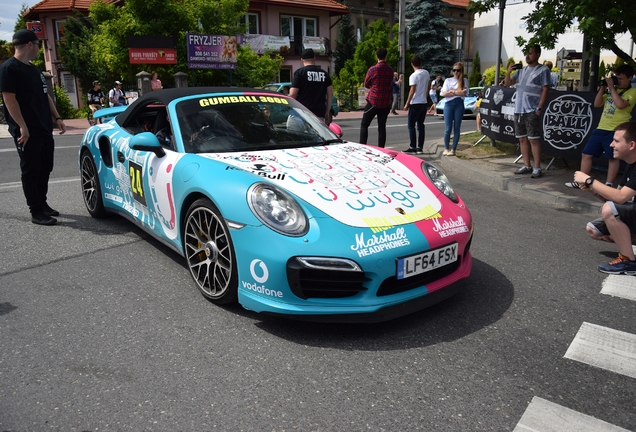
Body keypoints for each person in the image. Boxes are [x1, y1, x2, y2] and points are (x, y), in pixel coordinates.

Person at [0, 29, 66, 225]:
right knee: (31, 170)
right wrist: (22, 126)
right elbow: (9, 99)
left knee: (45, 167)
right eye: (38, 45)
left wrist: (58, 117)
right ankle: (36, 211)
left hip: (44, 127)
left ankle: (43, 203)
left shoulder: (35, 70)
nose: (39, 48)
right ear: (30, 44)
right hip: (26, 131)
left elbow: (45, 96)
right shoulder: (9, 68)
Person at [573, 121, 636, 274]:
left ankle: (628, 261)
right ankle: (629, 242)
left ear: (632, 145)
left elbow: (621, 198)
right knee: (593, 230)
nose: (611, 145)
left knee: (609, 211)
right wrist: (592, 191)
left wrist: (589, 180)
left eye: (616, 141)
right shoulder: (630, 165)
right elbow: (616, 199)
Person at [565, 65, 636, 189]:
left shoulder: (633, 92)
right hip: (601, 127)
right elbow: (597, 104)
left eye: (621, 79)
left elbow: (620, 105)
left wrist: (612, 89)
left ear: (630, 78)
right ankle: (582, 181)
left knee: (612, 158)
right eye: (616, 78)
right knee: (586, 154)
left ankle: (608, 184)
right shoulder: (611, 90)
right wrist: (603, 89)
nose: (618, 81)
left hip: (616, 130)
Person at [505, 44, 551, 178]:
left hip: (532, 108)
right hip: (519, 109)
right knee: (522, 139)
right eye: (526, 53)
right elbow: (508, 83)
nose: (527, 56)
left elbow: (546, 89)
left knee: (533, 139)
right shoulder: (521, 71)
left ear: (537, 54)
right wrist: (508, 72)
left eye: (530, 53)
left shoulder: (543, 70)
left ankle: (537, 167)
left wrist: (539, 107)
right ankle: (526, 165)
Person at [359, 47, 394, 147]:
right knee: (382, 127)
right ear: (386, 56)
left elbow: (366, 83)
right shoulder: (390, 70)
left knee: (364, 124)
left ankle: (362, 146)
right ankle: (381, 148)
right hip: (385, 102)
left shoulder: (373, 69)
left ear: (376, 56)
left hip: (373, 101)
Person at [290, 49, 333, 124]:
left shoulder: (300, 73)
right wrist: (327, 111)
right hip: (319, 113)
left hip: (302, 112)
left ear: (302, 60)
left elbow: (293, 94)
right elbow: (330, 94)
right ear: (314, 58)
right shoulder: (325, 74)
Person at [402, 55, 430, 154]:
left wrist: (407, 103)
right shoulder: (426, 73)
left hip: (415, 103)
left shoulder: (413, 76)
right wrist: (425, 95)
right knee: (421, 125)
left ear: (412, 64)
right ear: (421, 63)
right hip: (423, 102)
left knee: (411, 125)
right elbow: (429, 85)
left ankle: (412, 146)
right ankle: (420, 147)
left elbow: (412, 90)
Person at [440, 62, 469, 156]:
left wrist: (452, 92)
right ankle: (446, 148)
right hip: (448, 104)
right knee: (448, 128)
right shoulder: (448, 80)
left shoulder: (464, 80)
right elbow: (443, 93)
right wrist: (457, 92)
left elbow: (464, 93)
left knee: (457, 128)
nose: (456, 72)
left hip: (459, 105)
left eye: (458, 70)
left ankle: (453, 149)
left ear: (461, 71)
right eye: (454, 70)